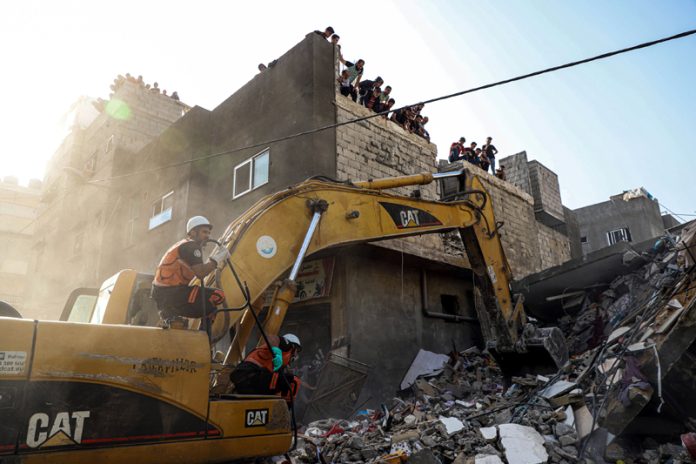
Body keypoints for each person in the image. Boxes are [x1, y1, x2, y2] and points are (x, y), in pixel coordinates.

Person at [151, 216, 230, 321]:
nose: (207, 236)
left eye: (208, 233)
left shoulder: (184, 245)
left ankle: (170, 315)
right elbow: (201, 273)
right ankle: (204, 336)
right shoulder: (192, 246)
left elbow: (200, 269)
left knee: (207, 304)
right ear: (193, 232)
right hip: (171, 293)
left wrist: (215, 259)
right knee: (217, 295)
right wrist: (218, 258)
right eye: (204, 232)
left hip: (163, 294)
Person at [230, 333, 302, 401]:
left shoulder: (274, 357)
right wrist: (277, 352)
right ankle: (285, 409)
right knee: (293, 380)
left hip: (245, 379)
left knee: (279, 382)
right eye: (297, 351)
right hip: (251, 374)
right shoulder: (288, 346)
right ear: (294, 347)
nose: (296, 355)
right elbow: (273, 338)